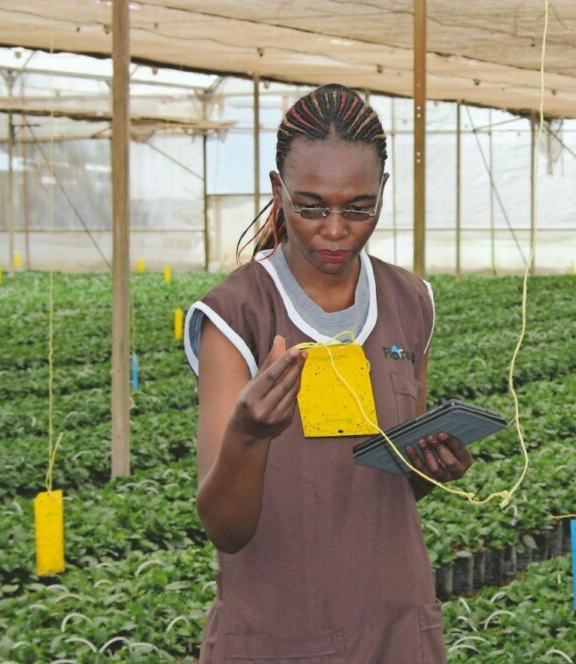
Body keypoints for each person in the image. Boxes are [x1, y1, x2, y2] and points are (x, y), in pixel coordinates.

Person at [184, 83, 473, 663]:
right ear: (277, 191)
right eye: (310, 206)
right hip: (275, 636)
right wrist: (248, 434)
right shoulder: (238, 315)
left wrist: (432, 468)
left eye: (358, 208)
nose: (335, 229)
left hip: (394, 628)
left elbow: (390, 484)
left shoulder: (409, 300)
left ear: (383, 193)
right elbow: (225, 528)